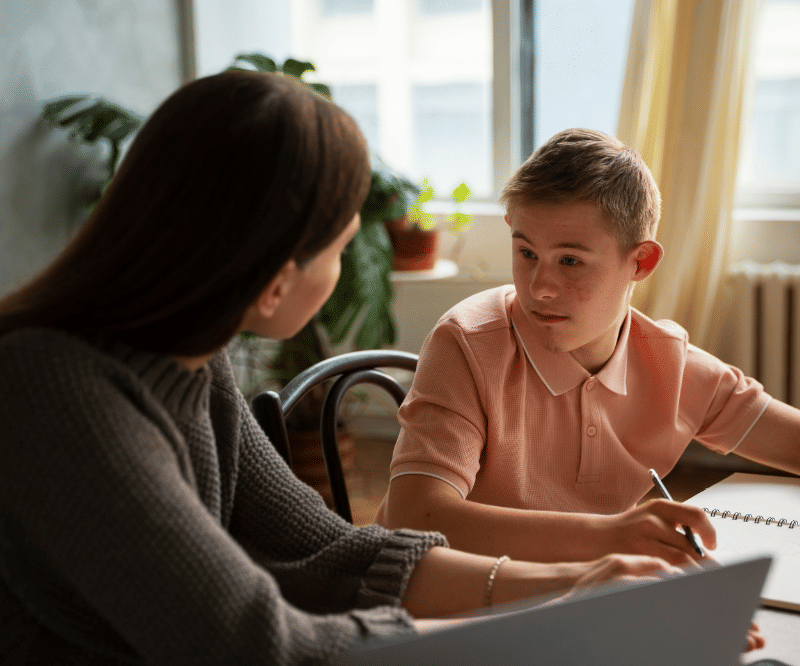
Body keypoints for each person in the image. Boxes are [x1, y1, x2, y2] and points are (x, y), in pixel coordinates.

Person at [0, 73, 691, 664]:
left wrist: (577, 587)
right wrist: (538, 622)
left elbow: (329, 552)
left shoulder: (190, 364)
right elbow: (260, 644)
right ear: (276, 284)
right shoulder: (52, 392)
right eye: (342, 248)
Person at [378, 127, 800, 568]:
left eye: (571, 261)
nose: (540, 286)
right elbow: (415, 516)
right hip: (449, 607)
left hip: (585, 595)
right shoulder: (467, 344)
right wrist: (609, 537)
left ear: (641, 262)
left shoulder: (665, 362)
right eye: (526, 252)